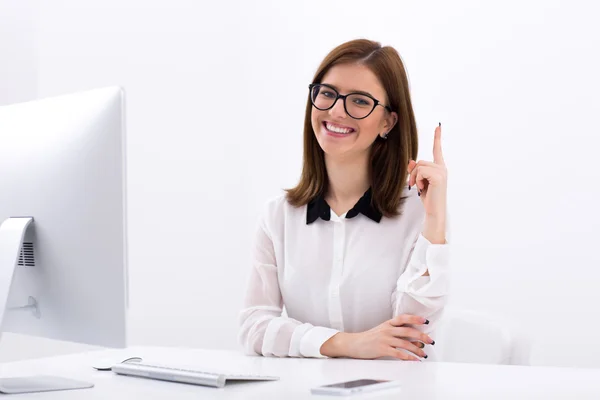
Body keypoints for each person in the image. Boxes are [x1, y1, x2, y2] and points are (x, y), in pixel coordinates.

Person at [238, 39, 450, 361]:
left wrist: (434, 221)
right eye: (327, 93)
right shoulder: (277, 217)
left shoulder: (418, 213)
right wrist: (344, 343)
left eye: (360, 101)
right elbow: (254, 326)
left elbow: (413, 336)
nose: (336, 110)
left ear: (388, 122)